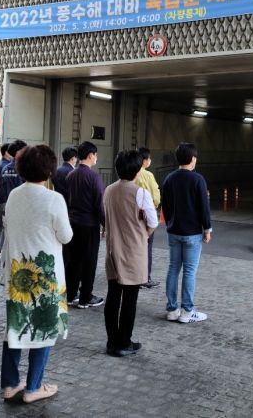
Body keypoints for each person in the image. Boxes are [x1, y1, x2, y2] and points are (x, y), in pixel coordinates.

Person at [1, 144, 72, 403]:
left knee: (15, 326)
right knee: (44, 326)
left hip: (18, 272)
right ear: (50, 170)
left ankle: (10, 384)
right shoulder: (54, 198)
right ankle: (34, 387)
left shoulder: (14, 195)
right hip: (46, 276)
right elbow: (66, 236)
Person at [103, 150, 157, 357]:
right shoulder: (140, 193)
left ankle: (111, 341)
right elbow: (152, 222)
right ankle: (125, 342)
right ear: (137, 170)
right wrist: (143, 234)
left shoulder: (108, 190)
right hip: (133, 251)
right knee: (130, 299)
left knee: (113, 296)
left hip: (112, 249)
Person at [161, 142, 212, 323]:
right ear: (193, 159)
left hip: (173, 232)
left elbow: (165, 206)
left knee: (173, 268)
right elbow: (203, 208)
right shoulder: (198, 179)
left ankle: (172, 309)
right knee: (189, 271)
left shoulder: (169, 179)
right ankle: (187, 311)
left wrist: (170, 223)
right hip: (192, 233)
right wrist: (207, 229)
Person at [65, 141, 105, 308]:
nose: (96, 158)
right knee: (89, 262)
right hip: (90, 225)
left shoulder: (70, 175)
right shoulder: (94, 177)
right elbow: (99, 203)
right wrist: (106, 225)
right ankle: (85, 297)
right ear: (90, 155)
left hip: (73, 223)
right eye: (95, 155)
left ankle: (71, 294)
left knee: (73, 260)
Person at [135, 146, 161, 288]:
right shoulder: (147, 175)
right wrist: (155, 205)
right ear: (144, 160)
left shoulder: (131, 172)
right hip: (146, 215)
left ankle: (134, 275)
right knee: (147, 246)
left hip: (133, 215)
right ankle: (145, 277)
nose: (150, 161)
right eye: (149, 158)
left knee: (135, 245)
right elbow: (156, 196)